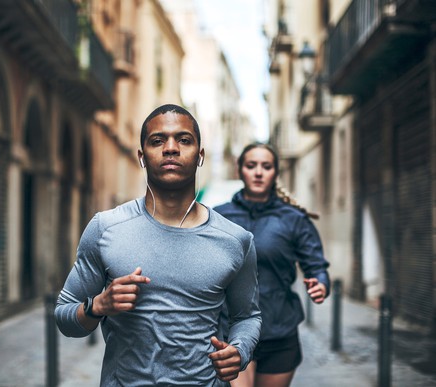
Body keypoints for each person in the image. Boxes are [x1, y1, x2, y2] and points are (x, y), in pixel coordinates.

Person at [55, 104, 262, 386]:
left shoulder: (236, 240)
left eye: (184, 140)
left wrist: (240, 351)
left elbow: (247, 316)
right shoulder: (106, 228)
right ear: (142, 156)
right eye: (157, 141)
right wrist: (99, 305)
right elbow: (64, 318)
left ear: (200, 155)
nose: (171, 148)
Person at [214, 142, 330, 387]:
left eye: (266, 167)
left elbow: (316, 265)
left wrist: (321, 284)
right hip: (231, 331)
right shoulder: (218, 217)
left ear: (275, 173)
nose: (258, 172)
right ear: (240, 170)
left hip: (279, 332)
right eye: (251, 165)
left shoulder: (294, 219)